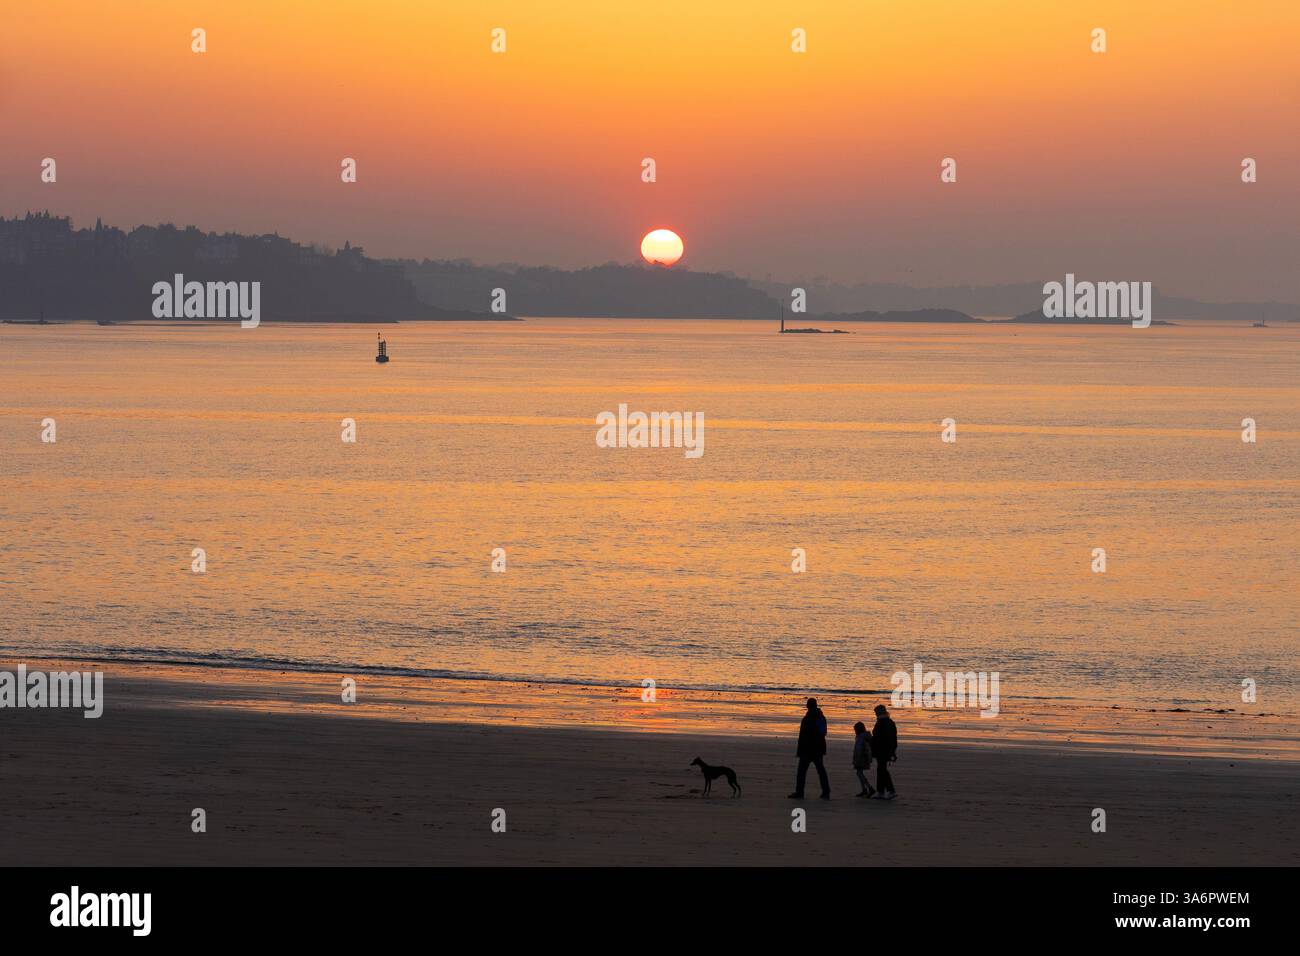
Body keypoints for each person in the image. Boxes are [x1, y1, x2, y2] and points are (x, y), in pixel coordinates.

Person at [788, 697, 831, 800]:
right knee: (820, 771)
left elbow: (802, 736)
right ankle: (826, 792)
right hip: (816, 749)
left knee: (802, 772)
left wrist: (800, 750)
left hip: (808, 750)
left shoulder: (809, 718)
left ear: (808, 706)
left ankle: (800, 792)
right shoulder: (820, 717)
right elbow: (823, 732)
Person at [871, 704, 898, 800]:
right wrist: (893, 751)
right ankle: (881, 791)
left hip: (883, 750)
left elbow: (886, 739)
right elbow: (894, 739)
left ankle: (890, 791)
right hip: (885, 750)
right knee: (881, 769)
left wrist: (891, 752)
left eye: (876, 713)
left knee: (882, 770)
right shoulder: (888, 722)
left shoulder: (883, 723)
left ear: (879, 713)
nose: (875, 714)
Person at [851, 721, 875, 797]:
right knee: (859, 773)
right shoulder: (864, 736)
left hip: (861, 758)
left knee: (859, 773)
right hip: (863, 757)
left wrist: (857, 759)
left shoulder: (861, 737)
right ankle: (865, 789)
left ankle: (869, 788)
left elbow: (860, 749)